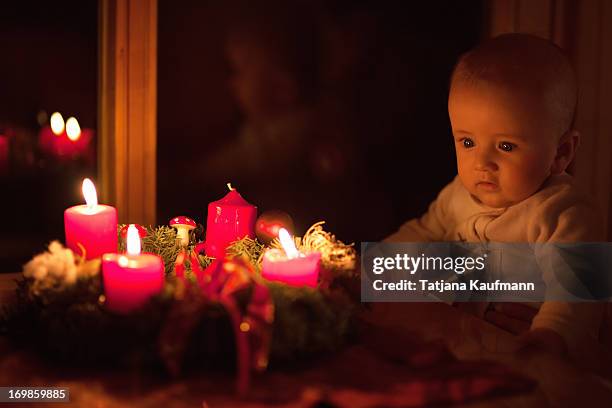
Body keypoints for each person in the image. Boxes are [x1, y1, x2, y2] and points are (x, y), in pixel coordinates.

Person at [385, 33, 607, 367]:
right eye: (468, 142)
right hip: (461, 349)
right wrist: (371, 270)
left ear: (560, 153)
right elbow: (420, 235)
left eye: (505, 146)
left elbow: (577, 293)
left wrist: (551, 337)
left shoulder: (563, 212)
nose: (481, 163)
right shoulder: (459, 194)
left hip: (531, 359)